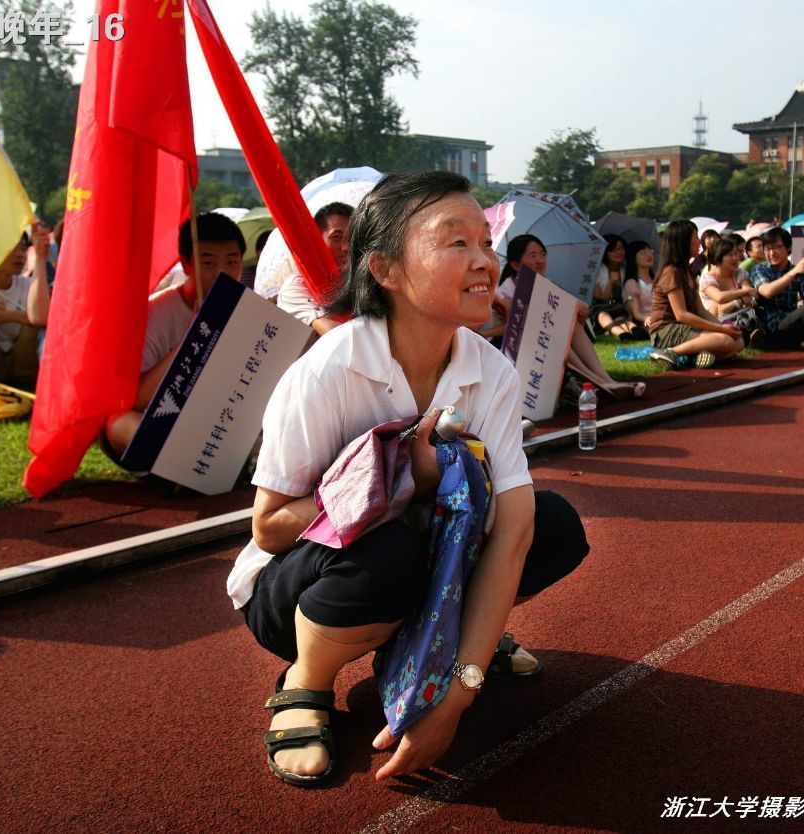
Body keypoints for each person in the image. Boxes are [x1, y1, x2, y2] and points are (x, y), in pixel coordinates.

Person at [226, 171, 587, 787]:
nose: (484, 263)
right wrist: (397, 481)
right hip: (298, 590)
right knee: (387, 553)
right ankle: (306, 682)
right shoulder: (329, 373)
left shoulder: (491, 373)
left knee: (552, 525)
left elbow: (514, 533)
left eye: (485, 243)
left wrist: (459, 691)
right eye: (456, 243)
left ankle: (447, 640)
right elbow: (272, 525)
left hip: (428, 557)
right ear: (386, 270)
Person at [103, 212, 246, 457]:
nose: (222, 273)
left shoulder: (246, 309)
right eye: (209, 263)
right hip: (160, 419)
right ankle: (178, 461)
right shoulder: (155, 313)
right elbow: (136, 400)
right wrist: (193, 339)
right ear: (187, 264)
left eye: (232, 262)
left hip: (214, 420)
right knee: (120, 424)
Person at [493, 235, 645, 400]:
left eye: (543, 254)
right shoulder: (504, 293)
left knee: (568, 325)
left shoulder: (545, 284)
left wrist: (577, 307)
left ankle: (605, 379)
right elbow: (512, 329)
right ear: (516, 264)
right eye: (533, 256)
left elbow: (579, 309)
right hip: (512, 350)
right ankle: (596, 381)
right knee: (557, 329)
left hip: (542, 343)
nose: (540, 260)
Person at [648, 219, 750, 369]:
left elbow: (700, 310)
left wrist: (724, 326)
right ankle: (670, 353)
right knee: (726, 342)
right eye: (695, 237)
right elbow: (681, 315)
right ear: (683, 242)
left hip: (683, 327)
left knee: (739, 340)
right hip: (666, 330)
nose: (700, 242)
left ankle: (694, 357)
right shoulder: (671, 272)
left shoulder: (686, 270)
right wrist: (721, 329)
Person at [0, 224, 51, 387]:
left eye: (23, 249)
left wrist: (41, 258)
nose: (20, 255)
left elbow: (42, 317)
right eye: (12, 249)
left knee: (37, 325)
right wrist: (16, 316)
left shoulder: (28, 285)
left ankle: (43, 383)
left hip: (25, 363)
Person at [276, 202, 353, 335]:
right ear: (317, 240)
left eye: (352, 238)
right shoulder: (295, 287)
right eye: (337, 237)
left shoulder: (363, 280)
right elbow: (332, 331)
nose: (346, 247)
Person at [591, 234, 640, 338]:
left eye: (622, 249)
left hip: (620, 309)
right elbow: (601, 298)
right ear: (606, 252)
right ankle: (621, 334)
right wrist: (611, 283)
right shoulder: (598, 271)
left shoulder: (625, 270)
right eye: (615, 250)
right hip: (602, 308)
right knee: (603, 315)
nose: (620, 253)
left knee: (620, 317)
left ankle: (633, 330)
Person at [698, 237, 757, 319]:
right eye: (730, 255)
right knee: (715, 304)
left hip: (741, 317)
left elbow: (751, 295)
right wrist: (744, 292)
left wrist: (735, 303)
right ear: (718, 258)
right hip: (715, 321)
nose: (735, 258)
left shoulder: (739, 273)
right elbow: (719, 298)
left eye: (736, 253)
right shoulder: (707, 278)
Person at [620, 239, 654, 340]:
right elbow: (636, 313)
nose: (649, 255)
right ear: (634, 259)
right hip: (647, 321)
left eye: (650, 251)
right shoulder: (632, 283)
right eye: (643, 253)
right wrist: (647, 318)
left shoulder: (658, 278)